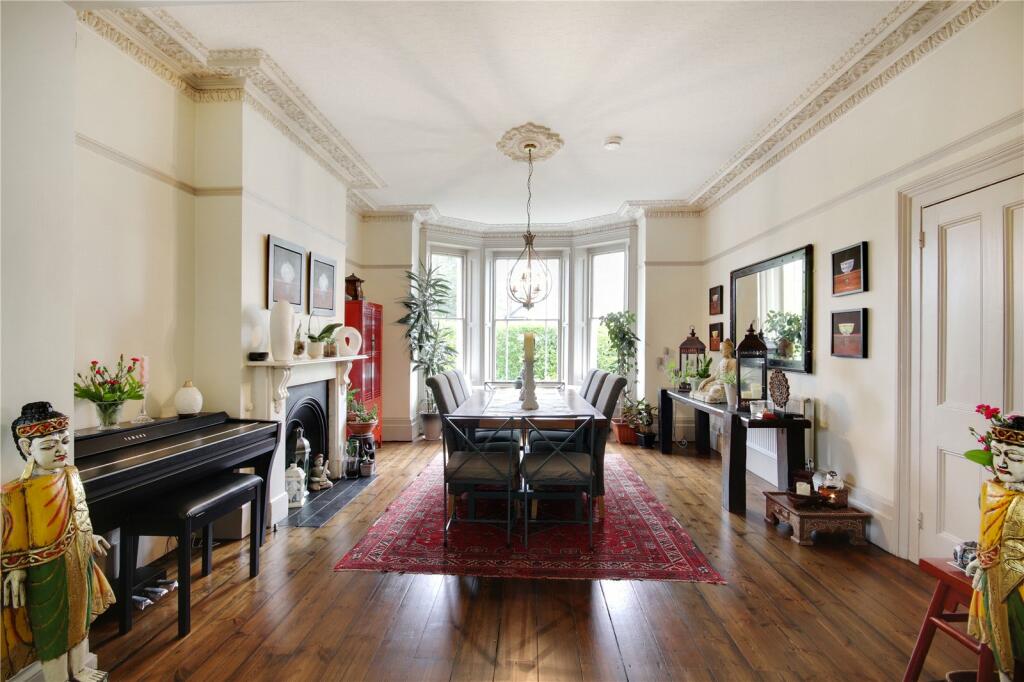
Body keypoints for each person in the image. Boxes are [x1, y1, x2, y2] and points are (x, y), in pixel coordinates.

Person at [2, 402, 115, 682]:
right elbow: (13, 533)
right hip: (45, 565)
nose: (62, 451)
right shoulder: (17, 491)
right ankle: (57, 678)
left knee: (79, 613)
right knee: (50, 625)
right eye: (50, 445)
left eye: (64, 442)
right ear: (28, 448)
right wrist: (15, 569)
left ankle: (78, 669)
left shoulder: (71, 474)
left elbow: (80, 512)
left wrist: (91, 536)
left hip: (78, 554)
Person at [966, 414, 1024, 681]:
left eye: (1014, 457)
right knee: (1003, 641)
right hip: (994, 577)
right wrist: (983, 560)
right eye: (998, 453)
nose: (1001, 462)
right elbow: (991, 537)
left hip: (1019, 581)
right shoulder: (992, 491)